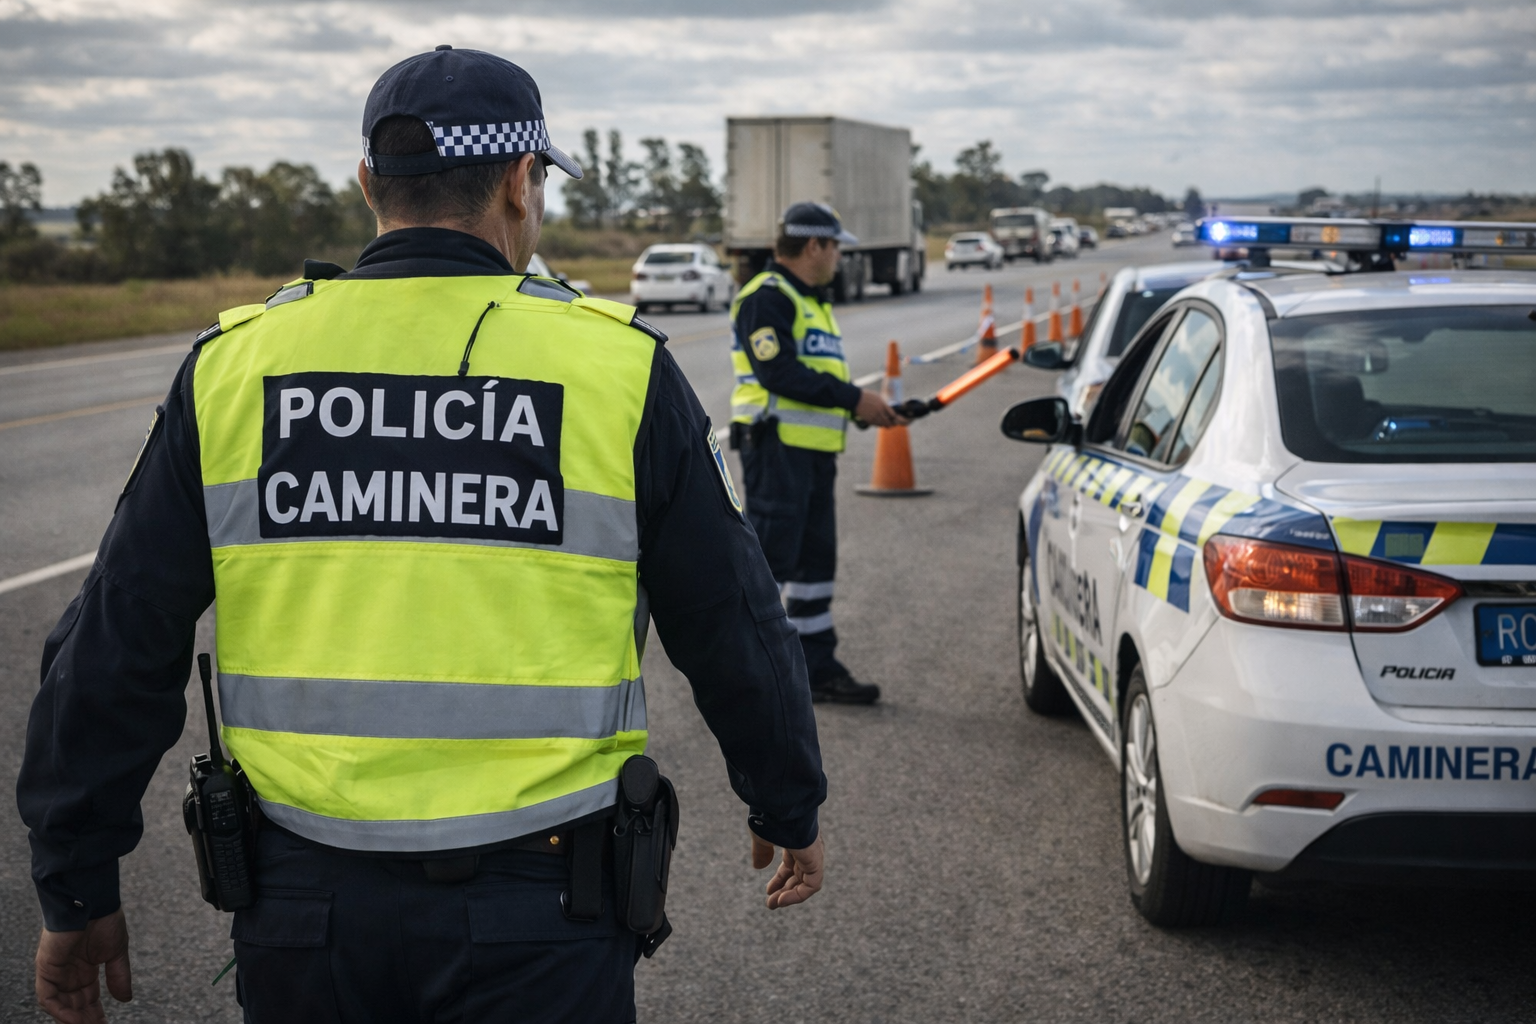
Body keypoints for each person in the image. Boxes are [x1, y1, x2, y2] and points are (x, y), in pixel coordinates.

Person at [20, 47, 826, 1024]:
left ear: (370, 186)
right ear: (523, 183)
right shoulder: (613, 371)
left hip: (303, 914)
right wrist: (785, 798)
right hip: (545, 907)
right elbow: (732, 620)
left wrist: (76, 878)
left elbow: (115, 641)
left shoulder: (237, 368)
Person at [729, 205, 906, 705]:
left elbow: (815, 376)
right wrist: (855, 398)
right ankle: (748, 677)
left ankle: (816, 668)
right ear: (814, 247)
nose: (839, 256)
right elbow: (777, 373)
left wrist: (863, 410)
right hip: (777, 449)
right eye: (836, 247)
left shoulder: (812, 301)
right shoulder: (768, 298)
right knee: (771, 567)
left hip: (811, 454)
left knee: (813, 566)